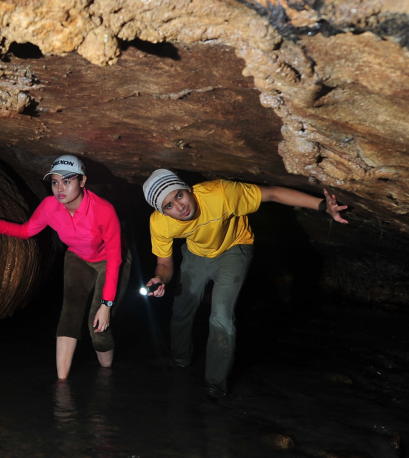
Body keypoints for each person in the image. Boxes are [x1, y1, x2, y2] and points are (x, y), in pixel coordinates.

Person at [141, 169, 348, 400]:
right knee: (182, 310)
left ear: (188, 189)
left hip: (234, 248)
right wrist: (160, 279)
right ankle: (179, 364)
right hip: (197, 252)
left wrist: (323, 206)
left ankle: (214, 387)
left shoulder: (220, 193)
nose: (179, 207)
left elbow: (272, 194)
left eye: (178, 195)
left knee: (221, 316)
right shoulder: (159, 224)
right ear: (162, 212)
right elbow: (164, 264)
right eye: (168, 206)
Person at [0, 155, 131, 380]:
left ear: (82, 181)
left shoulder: (103, 210)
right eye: (55, 182)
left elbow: (114, 259)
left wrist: (106, 305)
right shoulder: (49, 207)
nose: (60, 188)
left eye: (67, 181)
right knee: (69, 312)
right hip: (78, 258)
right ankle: (61, 385)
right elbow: (25, 231)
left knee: (98, 324)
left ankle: (106, 376)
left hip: (110, 260)